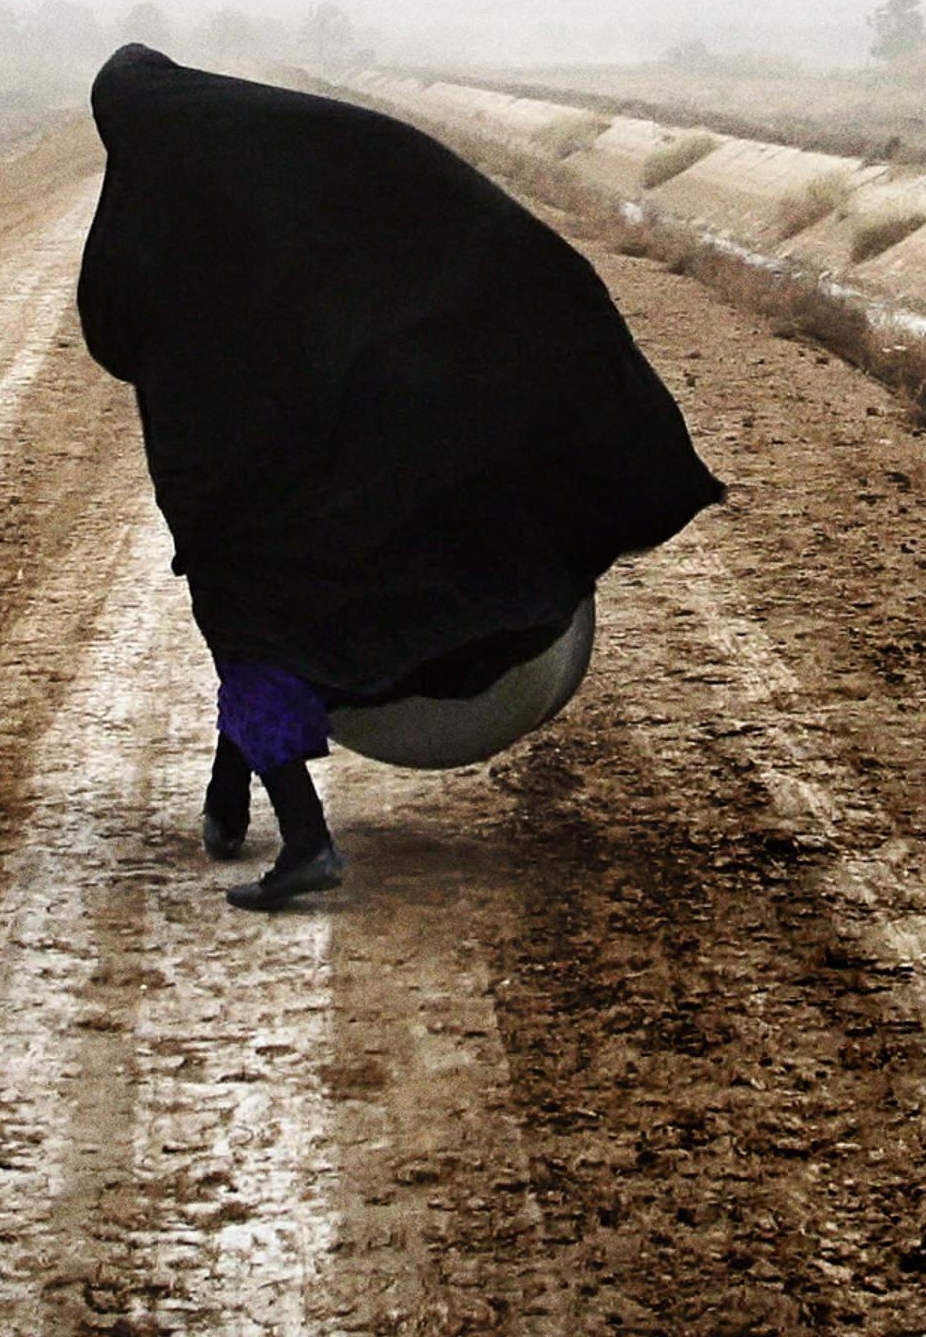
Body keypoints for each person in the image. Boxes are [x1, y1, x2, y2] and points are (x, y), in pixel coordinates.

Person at [77, 47, 726, 910]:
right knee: (267, 626)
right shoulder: (304, 165)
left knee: (250, 633)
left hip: (247, 477)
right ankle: (228, 798)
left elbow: (110, 329)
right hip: (321, 454)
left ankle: (304, 840)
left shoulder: (157, 217)